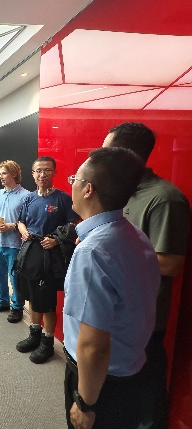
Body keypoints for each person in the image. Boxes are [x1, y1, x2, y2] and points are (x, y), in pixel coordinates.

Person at [63, 147, 160, 429]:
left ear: (88, 189)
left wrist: (86, 403)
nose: (71, 185)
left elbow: (93, 346)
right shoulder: (134, 234)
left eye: (74, 179)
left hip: (101, 383)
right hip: (131, 371)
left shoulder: (92, 251)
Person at [103, 122, 191, 429]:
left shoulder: (164, 198)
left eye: (106, 149)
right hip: (115, 314)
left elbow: (170, 263)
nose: (100, 156)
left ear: (125, 153)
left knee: (147, 405)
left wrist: (105, 253)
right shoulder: (118, 193)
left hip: (144, 323)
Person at [15, 156, 79, 364]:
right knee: (32, 294)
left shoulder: (62, 199)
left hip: (50, 255)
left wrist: (56, 240)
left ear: (54, 173)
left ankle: (48, 342)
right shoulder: (29, 198)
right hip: (30, 251)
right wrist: (23, 230)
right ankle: (34, 334)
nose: (42, 174)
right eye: (38, 171)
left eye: (47, 170)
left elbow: (74, 224)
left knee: (48, 300)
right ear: (33, 174)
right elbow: (21, 221)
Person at [0, 160, 29, 322]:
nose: (1, 177)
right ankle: (2, 302)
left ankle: (17, 307)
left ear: (14, 174)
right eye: (0, 174)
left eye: (4, 173)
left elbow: (28, 222)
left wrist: (11, 226)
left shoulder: (26, 196)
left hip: (15, 244)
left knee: (15, 277)